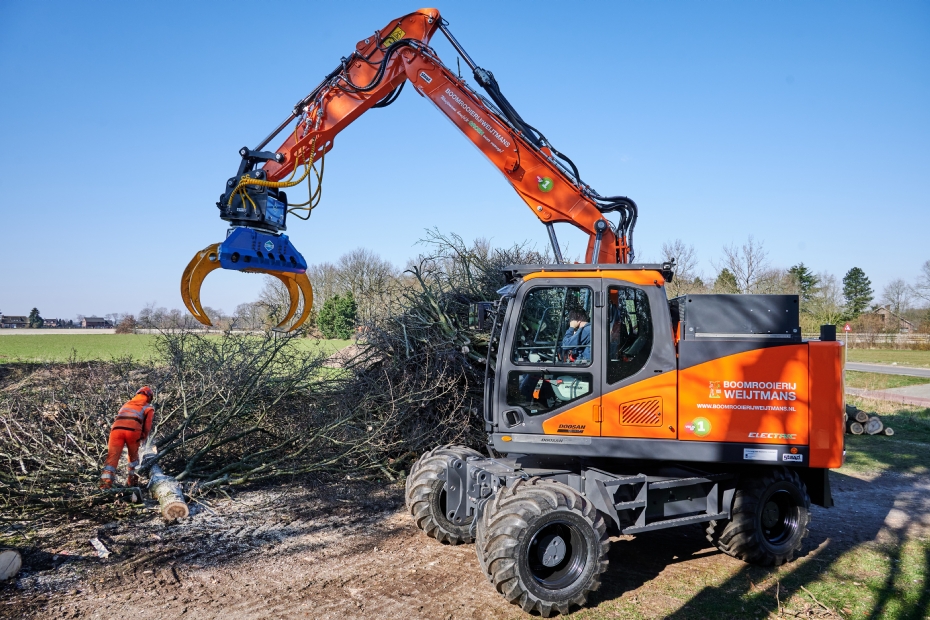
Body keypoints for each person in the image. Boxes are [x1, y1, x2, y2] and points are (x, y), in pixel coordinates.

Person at [99, 386, 155, 489]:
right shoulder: (148, 408)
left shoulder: (127, 404)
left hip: (116, 430)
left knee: (112, 458)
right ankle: (132, 483)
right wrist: (143, 437)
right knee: (133, 458)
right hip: (133, 432)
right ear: (149, 397)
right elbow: (147, 427)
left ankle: (105, 485)